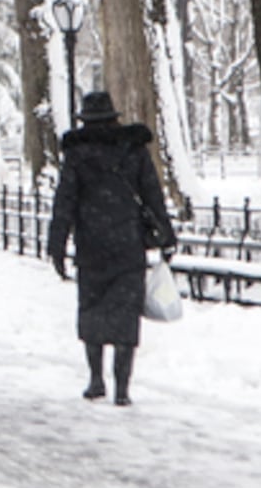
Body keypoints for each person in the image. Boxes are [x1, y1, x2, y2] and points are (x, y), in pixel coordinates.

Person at [45, 90, 177, 406]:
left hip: (91, 246)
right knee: (125, 317)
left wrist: (57, 245)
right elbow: (152, 195)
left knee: (92, 312)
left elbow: (64, 202)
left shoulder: (77, 155)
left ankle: (95, 380)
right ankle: (122, 388)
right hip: (129, 245)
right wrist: (166, 235)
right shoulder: (134, 151)